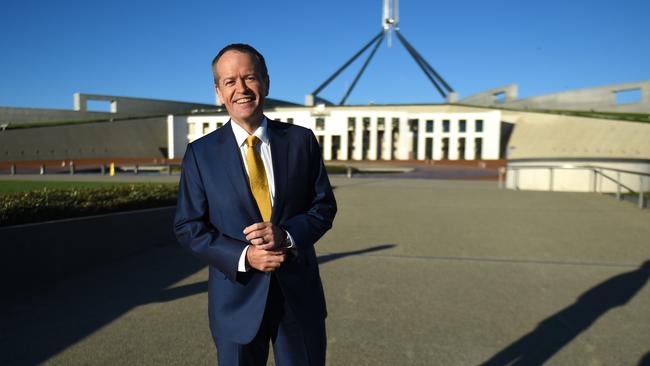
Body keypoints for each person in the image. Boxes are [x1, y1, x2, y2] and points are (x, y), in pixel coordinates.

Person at [174, 43, 337, 366]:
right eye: (230, 81)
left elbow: (323, 207)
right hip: (235, 300)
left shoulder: (301, 141)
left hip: (298, 297)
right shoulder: (200, 154)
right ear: (219, 92)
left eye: (249, 77)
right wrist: (244, 255)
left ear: (266, 82)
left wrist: (286, 236)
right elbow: (188, 226)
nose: (241, 89)